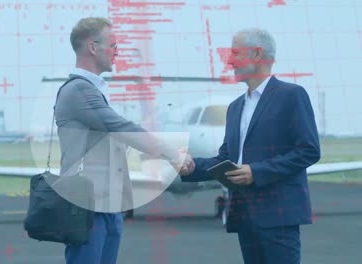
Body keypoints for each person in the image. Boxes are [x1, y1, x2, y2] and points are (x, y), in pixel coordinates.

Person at [55, 17, 194, 264]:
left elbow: (117, 137)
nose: (117, 52)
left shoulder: (94, 89)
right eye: (113, 45)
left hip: (107, 204)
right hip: (87, 206)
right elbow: (121, 127)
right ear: (93, 47)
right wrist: (172, 154)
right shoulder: (79, 90)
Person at [180, 28, 320, 264]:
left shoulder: (292, 95)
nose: (230, 60)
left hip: (278, 217)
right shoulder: (235, 107)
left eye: (235, 52)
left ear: (257, 54)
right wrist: (189, 165)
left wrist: (256, 172)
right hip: (245, 216)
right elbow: (224, 159)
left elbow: (308, 151)